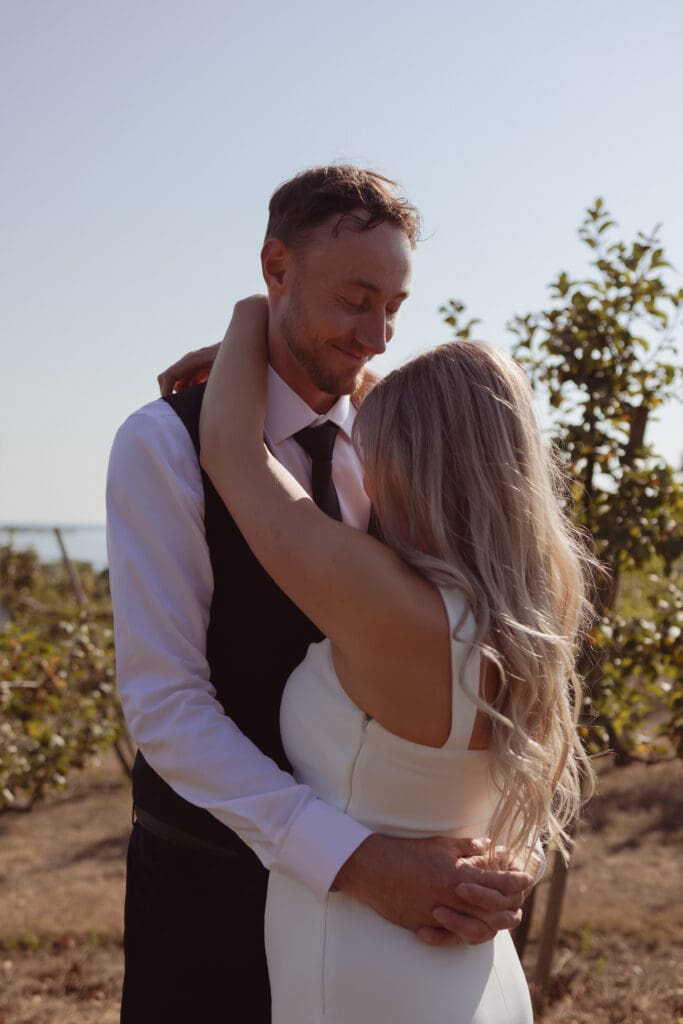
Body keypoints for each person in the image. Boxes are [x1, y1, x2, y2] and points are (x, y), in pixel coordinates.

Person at [107, 165, 535, 1024]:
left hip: (401, 916)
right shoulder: (163, 445)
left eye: (394, 307)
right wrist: (353, 860)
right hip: (211, 901)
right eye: (353, 300)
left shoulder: (397, 447)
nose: (376, 335)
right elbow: (166, 705)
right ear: (277, 268)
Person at [198, 295, 594, 1023]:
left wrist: (258, 316)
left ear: (413, 466)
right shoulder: (533, 612)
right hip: (479, 975)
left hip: (363, 975)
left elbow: (229, 448)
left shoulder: (390, 606)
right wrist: (313, 376)